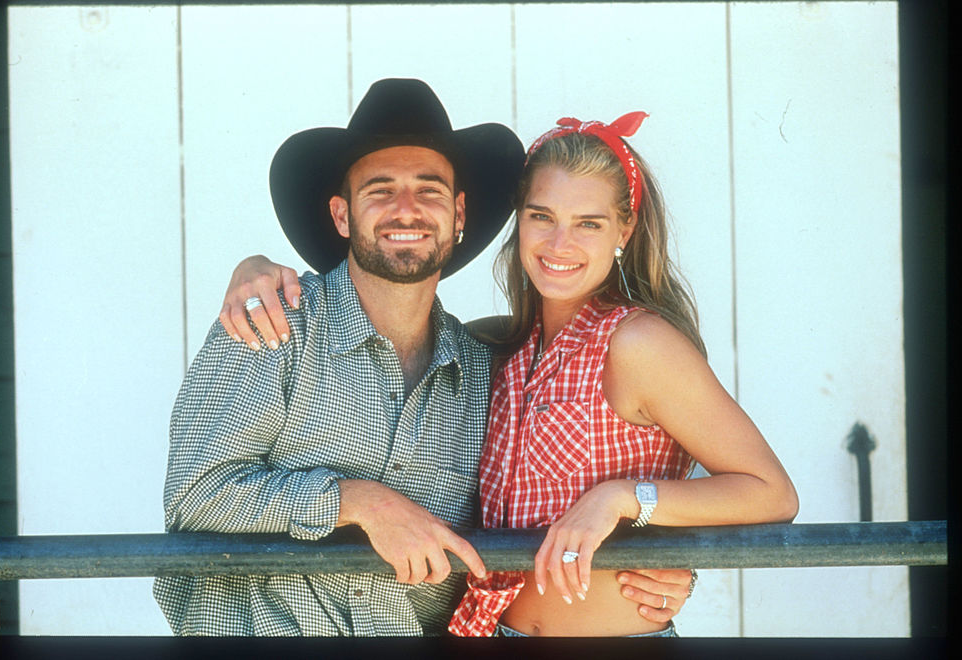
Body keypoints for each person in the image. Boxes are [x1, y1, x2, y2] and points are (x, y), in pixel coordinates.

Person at [219, 110, 797, 637]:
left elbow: (770, 492)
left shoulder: (638, 343)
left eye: (589, 224)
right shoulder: (497, 348)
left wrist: (623, 502)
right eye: (541, 216)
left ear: (624, 232)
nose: (559, 243)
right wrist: (254, 267)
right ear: (517, 224)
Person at [154, 78, 690, 636]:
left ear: (459, 216)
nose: (406, 209)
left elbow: (620, 443)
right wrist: (358, 502)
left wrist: (670, 554)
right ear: (342, 215)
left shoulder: (485, 366)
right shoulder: (271, 323)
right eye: (380, 189)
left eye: (429, 190)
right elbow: (193, 498)